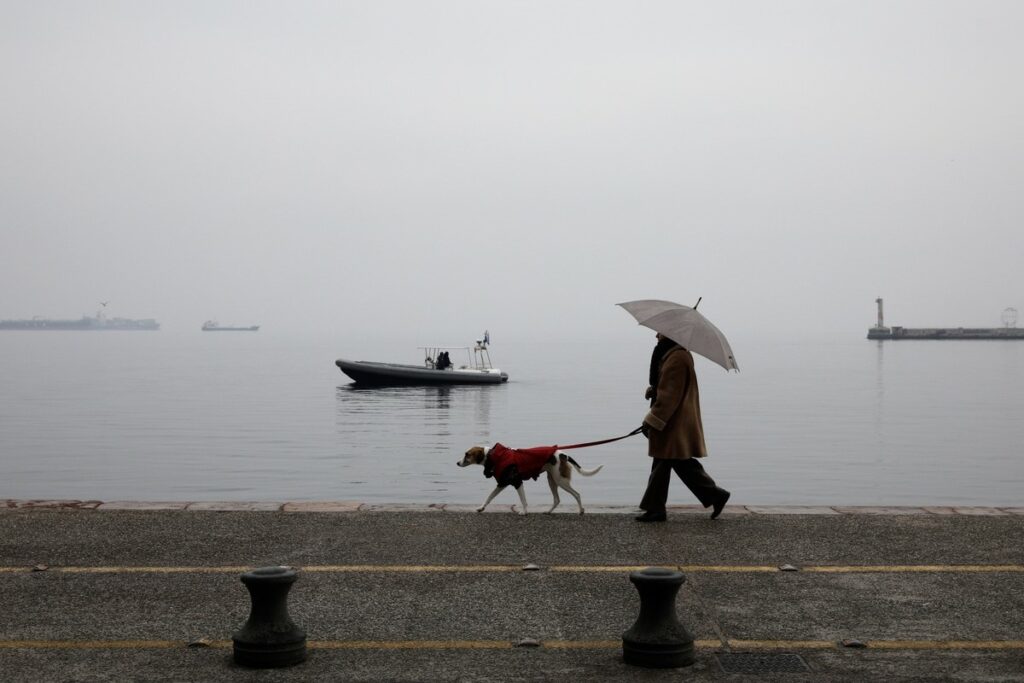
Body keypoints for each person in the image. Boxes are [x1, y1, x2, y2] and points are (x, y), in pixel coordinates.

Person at [636, 333, 730, 522]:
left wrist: (651, 420)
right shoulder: (672, 355)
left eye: (660, 332)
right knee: (677, 462)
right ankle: (714, 495)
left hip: (672, 423)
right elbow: (668, 386)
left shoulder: (677, 358)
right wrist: (654, 389)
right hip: (675, 421)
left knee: (667, 462)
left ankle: (656, 509)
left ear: (671, 334)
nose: (656, 335)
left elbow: (670, 397)